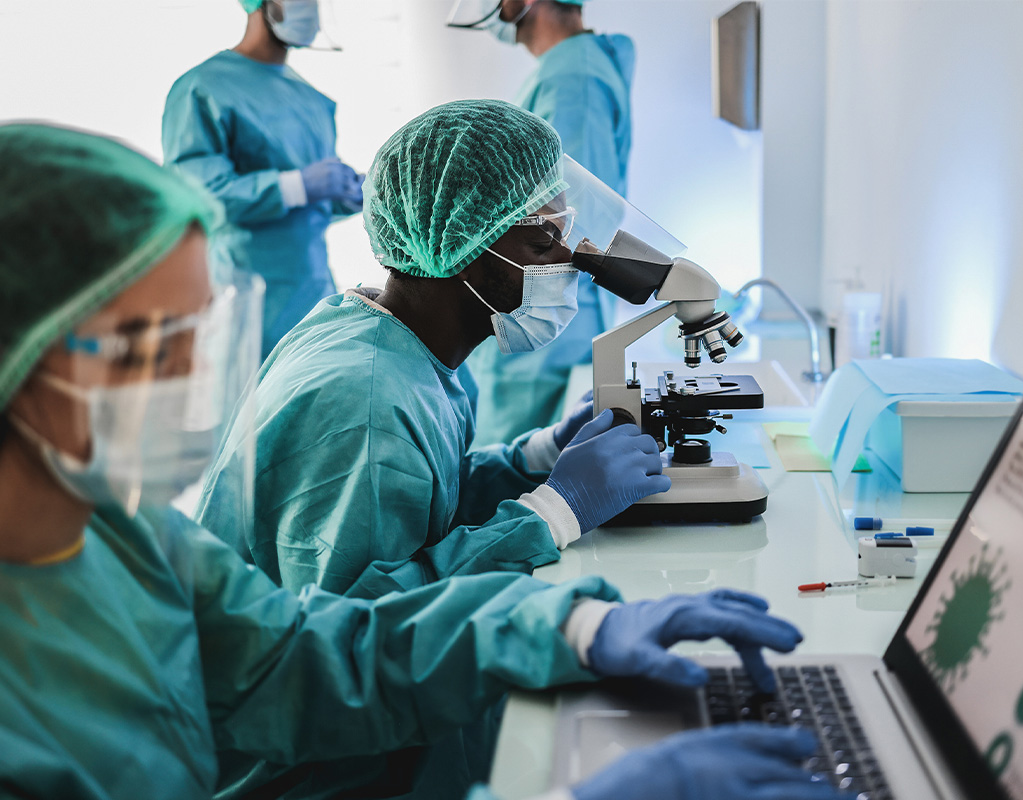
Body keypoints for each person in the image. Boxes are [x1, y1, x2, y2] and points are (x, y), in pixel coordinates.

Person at [0, 123, 846, 800]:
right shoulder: (360, 397)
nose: (190, 382)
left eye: (197, 336)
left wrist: (571, 625)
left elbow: (306, 652)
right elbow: (350, 594)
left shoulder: (114, 532)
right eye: (148, 347)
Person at [196, 99, 670, 605]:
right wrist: (555, 513)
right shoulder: (367, 402)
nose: (571, 260)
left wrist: (542, 453)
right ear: (463, 246)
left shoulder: (390, 337)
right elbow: (365, 620)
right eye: (543, 243)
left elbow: (419, 497)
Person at [448, 0, 635, 446]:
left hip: (543, 319)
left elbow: (568, 220)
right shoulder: (569, 67)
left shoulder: (573, 78)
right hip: (541, 312)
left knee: (522, 485)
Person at [163, 0, 363, 358]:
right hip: (241, 297)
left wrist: (345, 194)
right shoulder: (202, 88)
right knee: (243, 406)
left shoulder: (312, 99)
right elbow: (197, 198)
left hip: (313, 292)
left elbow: (308, 206)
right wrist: (297, 185)